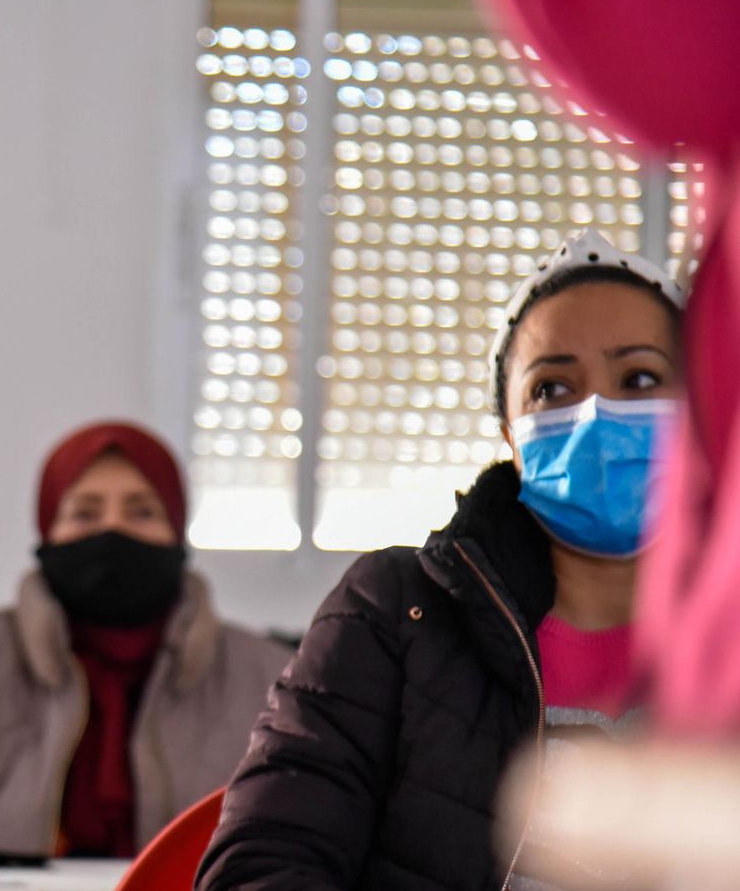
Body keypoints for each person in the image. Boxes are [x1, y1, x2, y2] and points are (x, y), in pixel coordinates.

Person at [197, 227, 686, 891]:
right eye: (551, 389)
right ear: (511, 436)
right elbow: (264, 864)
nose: (596, 412)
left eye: (640, 378)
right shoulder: (394, 611)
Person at [0, 422, 292, 859]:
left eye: (142, 512)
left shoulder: (268, 675)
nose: (112, 531)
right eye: (84, 513)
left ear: (177, 530)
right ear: (48, 529)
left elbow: (291, 853)